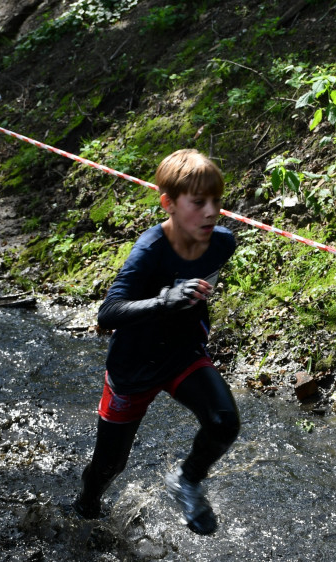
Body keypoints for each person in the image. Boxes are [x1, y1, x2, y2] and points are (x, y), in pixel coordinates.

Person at [73, 149, 240, 535]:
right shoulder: (149, 250)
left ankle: (186, 479)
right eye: (198, 203)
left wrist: (189, 302)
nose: (211, 211)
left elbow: (202, 281)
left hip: (183, 353)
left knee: (224, 422)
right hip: (134, 365)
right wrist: (166, 299)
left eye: (216, 201)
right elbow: (108, 313)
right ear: (168, 204)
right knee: (110, 465)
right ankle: (86, 508)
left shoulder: (222, 243)